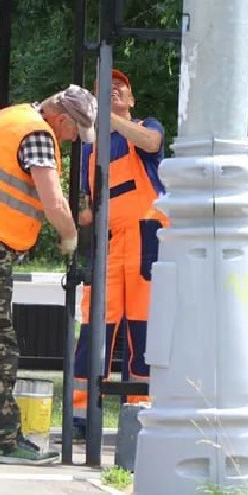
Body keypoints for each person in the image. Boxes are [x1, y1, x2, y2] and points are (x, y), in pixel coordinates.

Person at [0, 85, 97, 465]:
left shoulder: (10, 117)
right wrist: (70, 236)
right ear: (61, 119)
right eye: (75, 131)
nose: (73, 140)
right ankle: (6, 439)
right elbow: (52, 200)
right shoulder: (39, 136)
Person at [72, 68, 165, 438]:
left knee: (144, 328)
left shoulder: (147, 127)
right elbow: (85, 204)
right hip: (109, 243)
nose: (113, 92)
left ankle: (139, 412)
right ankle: (81, 414)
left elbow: (152, 144)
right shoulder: (90, 149)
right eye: (104, 90)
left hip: (147, 239)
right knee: (97, 324)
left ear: (131, 99)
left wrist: (107, 116)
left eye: (119, 88)